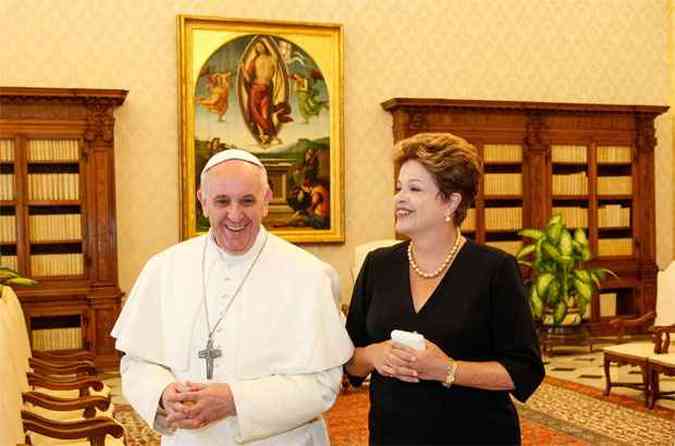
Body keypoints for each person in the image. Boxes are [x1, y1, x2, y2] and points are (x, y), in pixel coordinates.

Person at [112, 149, 353, 445]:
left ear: (266, 201)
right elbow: (137, 361)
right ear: (203, 202)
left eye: (247, 201)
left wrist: (234, 401)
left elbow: (323, 384)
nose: (235, 214)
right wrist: (161, 393)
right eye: (222, 201)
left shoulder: (310, 276)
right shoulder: (164, 269)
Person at [345, 133, 545, 445]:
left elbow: (524, 371)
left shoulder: (495, 270)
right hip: (392, 435)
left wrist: (446, 370)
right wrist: (374, 354)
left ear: (450, 201)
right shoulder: (377, 265)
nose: (399, 198)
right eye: (399, 188)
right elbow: (350, 362)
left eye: (414, 189)